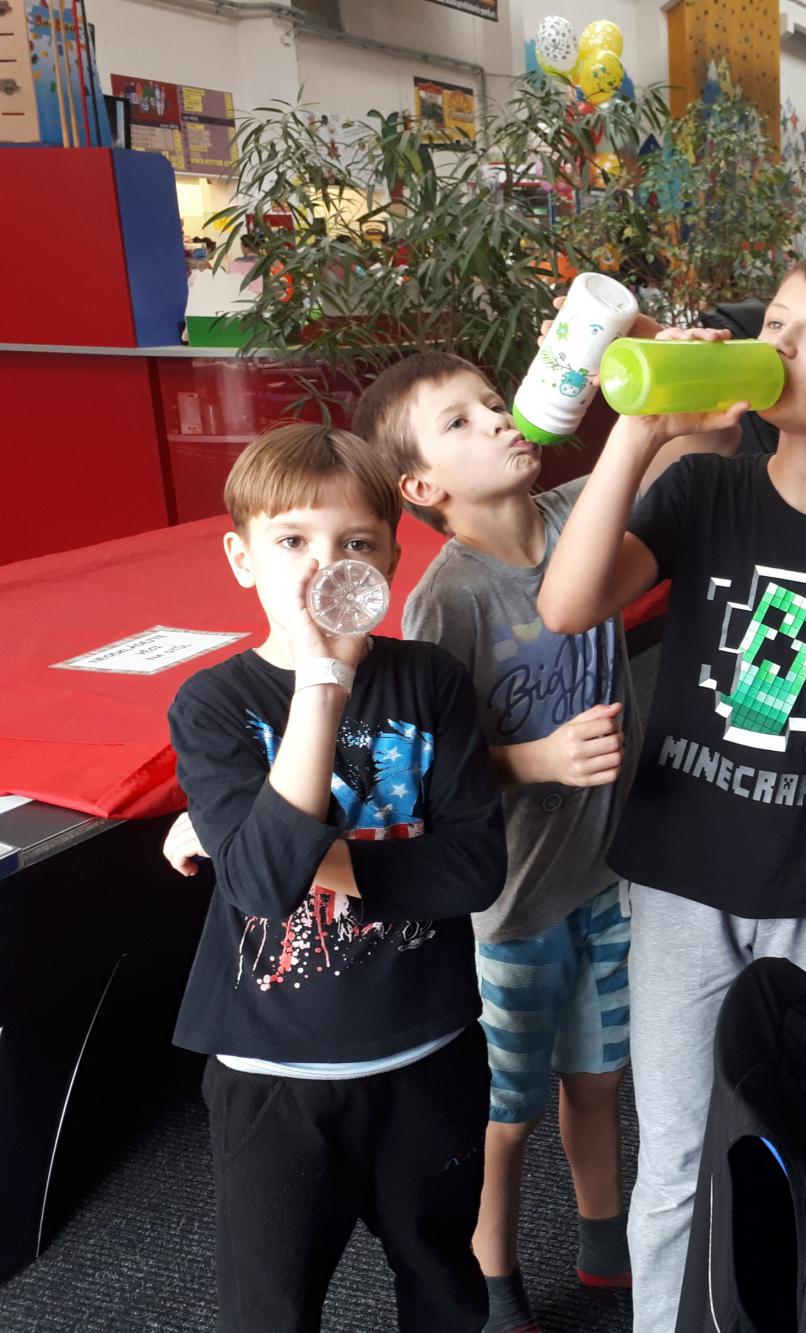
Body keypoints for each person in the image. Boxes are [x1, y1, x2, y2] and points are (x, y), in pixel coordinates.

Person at [536, 253, 806, 1332]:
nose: (780, 342)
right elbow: (567, 603)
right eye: (774, 320)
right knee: (678, 1154)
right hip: (681, 875)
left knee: (791, 1139)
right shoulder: (705, 490)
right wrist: (639, 433)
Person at [345, 335, 732, 1332]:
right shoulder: (447, 598)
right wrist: (536, 758)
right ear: (421, 485)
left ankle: (605, 1246)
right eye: (460, 421)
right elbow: (423, 775)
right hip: (508, 910)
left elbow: (691, 453)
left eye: (492, 400)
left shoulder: (578, 518)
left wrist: (685, 373)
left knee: (598, 1081)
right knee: (504, 1117)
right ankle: (496, 1283)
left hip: (606, 881)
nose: (497, 419)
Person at [161, 423, 507, 1332]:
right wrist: (322, 685)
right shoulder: (214, 703)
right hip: (273, 1069)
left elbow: (472, 868)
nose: (325, 566)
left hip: (427, 1051)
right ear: (242, 558)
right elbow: (261, 887)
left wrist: (278, 846)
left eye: (355, 542)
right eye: (292, 541)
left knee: (443, 1281)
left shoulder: (430, 680)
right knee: (270, 1305)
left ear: (390, 558)